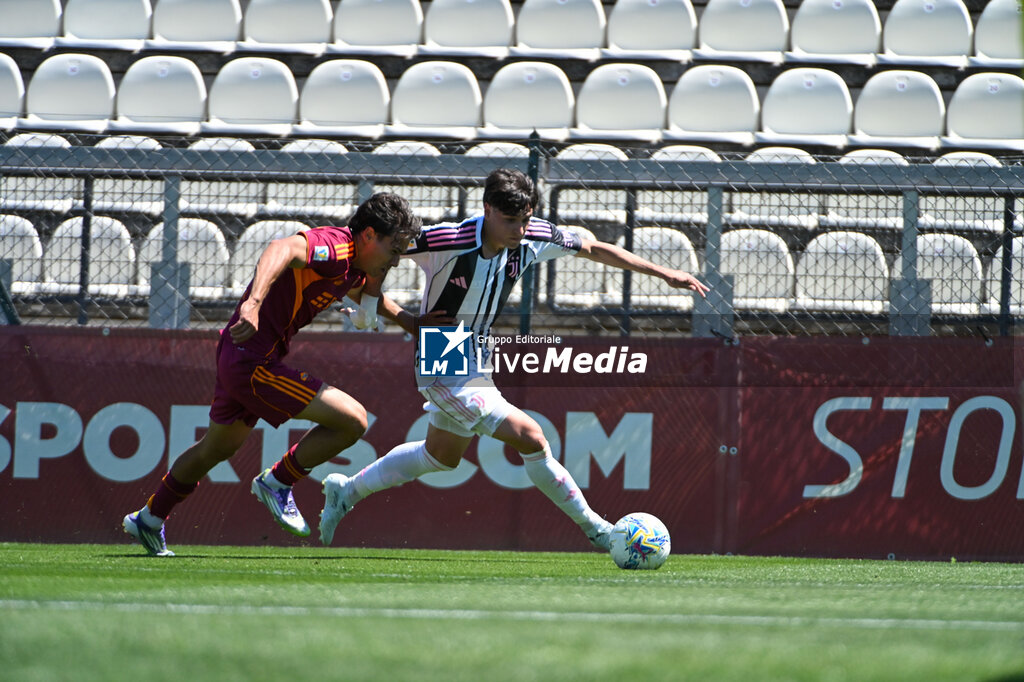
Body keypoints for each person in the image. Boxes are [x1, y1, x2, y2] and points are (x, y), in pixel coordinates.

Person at [318, 168, 710, 550]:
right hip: (443, 349)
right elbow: (370, 258)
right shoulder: (448, 240)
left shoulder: (533, 236)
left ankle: (345, 491)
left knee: (441, 457)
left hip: (478, 353)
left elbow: (591, 247)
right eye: (510, 221)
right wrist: (396, 314)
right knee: (531, 436)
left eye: (524, 220)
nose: (519, 230)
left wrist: (664, 273)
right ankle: (599, 531)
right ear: (487, 209)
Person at [122, 193, 422, 556]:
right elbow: (282, 248)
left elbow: (364, 294)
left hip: (239, 353)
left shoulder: (353, 268)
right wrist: (253, 302)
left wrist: (413, 323)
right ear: (369, 234)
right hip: (253, 362)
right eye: (394, 249)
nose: (396, 259)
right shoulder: (336, 247)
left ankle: (149, 518)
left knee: (215, 449)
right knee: (353, 420)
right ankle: (278, 481)